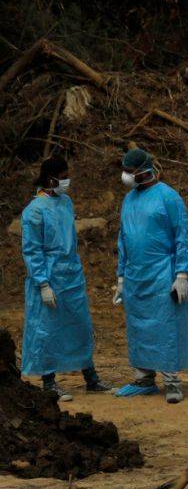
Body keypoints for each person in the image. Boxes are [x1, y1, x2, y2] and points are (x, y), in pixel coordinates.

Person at [20, 156, 112, 399]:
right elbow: (32, 249)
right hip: (49, 275)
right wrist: (42, 283)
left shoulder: (66, 202)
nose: (66, 181)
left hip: (71, 273)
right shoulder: (34, 211)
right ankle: (49, 382)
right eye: (62, 177)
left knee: (80, 325)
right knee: (48, 329)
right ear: (50, 179)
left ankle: (91, 378)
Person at [114, 148, 188, 403]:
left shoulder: (169, 197)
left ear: (143, 171)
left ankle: (172, 382)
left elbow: (182, 235)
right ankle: (144, 379)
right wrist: (121, 276)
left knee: (165, 326)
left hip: (162, 273)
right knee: (138, 327)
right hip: (135, 275)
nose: (125, 176)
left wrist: (182, 273)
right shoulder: (128, 200)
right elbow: (124, 238)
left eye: (129, 172)